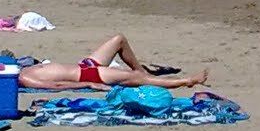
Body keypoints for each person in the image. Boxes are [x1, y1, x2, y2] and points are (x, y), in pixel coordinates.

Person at [16, 35, 209, 91]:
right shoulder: (26, 79)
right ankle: (186, 81)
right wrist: (88, 84)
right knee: (136, 78)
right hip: (88, 75)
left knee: (119, 39)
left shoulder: (23, 70)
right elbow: (56, 86)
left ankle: (144, 72)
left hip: (85, 65)